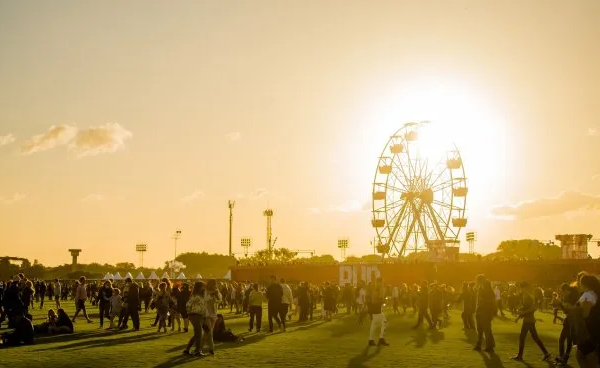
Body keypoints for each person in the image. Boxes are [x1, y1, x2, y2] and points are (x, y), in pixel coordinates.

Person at [511, 282, 551, 362]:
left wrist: (521, 313)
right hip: (529, 320)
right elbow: (527, 308)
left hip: (529, 321)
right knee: (534, 338)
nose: (520, 289)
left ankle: (520, 356)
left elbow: (532, 309)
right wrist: (519, 315)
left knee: (523, 338)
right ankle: (546, 354)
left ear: (524, 288)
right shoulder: (526, 296)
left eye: (521, 288)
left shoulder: (527, 296)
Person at [184, 282, 207, 358]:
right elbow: (188, 305)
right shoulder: (195, 296)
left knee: (197, 334)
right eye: (203, 286)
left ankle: (187, 350)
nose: (204, 288)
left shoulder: (200, 295)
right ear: (199, 287)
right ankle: (197, 351)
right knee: (199, 334)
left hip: (199, 316)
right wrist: (190, 313)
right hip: (195, 315)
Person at [473, 275, 496, 352]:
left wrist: (484, 300)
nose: (476, 282)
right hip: (480, 310)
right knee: (480, 329)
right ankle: (480, 345)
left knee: (486, 329)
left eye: (477, 280)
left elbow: (492, 301)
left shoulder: (488, 289)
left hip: (485, 311)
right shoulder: (480, 288)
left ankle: (489, 346)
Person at [367, 277, 389, 347]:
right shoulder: (375, 290)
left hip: (376, 309)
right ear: (378, 283)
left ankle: (371, 340)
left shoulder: (378, 290)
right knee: (385, 323)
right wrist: (382, 301)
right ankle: (381, 339)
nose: (382, 284)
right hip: (376, 310)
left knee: (374, 324)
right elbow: (374, 301)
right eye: (381, 282)